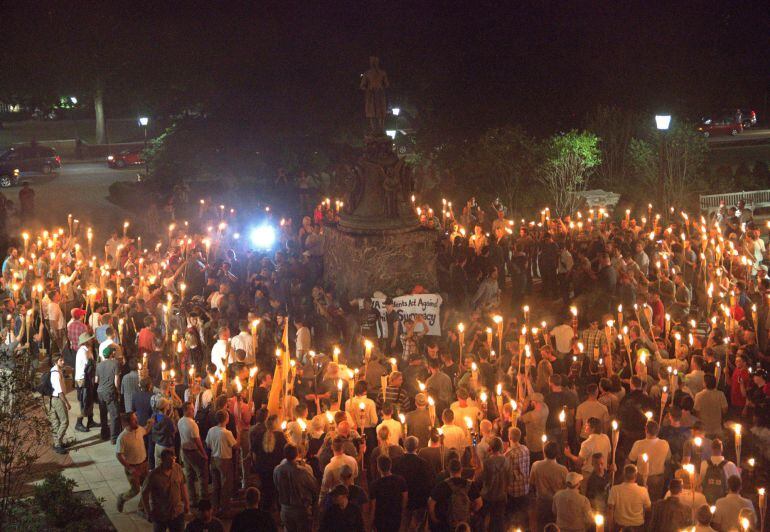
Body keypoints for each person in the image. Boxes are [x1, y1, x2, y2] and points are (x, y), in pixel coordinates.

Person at [427, 458, 482, 532]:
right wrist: (471, 512)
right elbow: (479, 503)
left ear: (449, 469)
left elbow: (431, 502)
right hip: (465, 523)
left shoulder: (443, 485)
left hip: (447, 523)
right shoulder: (470, 485)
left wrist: (434, 517)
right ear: (461, 469)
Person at [273, 443, 319, 532]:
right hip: (300, 509)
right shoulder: (302, 471)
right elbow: (314, 487)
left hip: (285, 509)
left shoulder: (277, 470)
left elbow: (276, 486)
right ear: (297, 454)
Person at [116, 412, 156, 513]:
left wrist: (150, 423)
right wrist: (129, 468)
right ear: (127, 423)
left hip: (144, 464)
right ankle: (122, 498)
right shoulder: (122, 437)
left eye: (136, 418)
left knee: (148, 487)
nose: (137, 420)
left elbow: (146, 430)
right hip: (133, 468)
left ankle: (141, 508)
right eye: (134, 419)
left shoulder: (138, 429)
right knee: (135, 490)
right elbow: (118, 455)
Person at [140, 448, 189, 531]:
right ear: (162, 460)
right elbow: (144, 494)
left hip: (177, 512)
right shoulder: (153, 476)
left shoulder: (177, 468)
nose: (172, 462)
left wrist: (186, 503)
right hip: (160, 515)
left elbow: (182, 485)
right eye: (169, 460)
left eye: (174, 459)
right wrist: (148, 512)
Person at [393, 436, 434, 530]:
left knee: (403, 526)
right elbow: (428, 483)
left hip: (402, 501)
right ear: (417, 447)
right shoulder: (423, 463)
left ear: (404, 446)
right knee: (418, 526)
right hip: (419, 501)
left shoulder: (396, 462)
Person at [205, 409, 238, 516]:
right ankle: (225, 509)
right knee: (225, 485)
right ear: (226, 419)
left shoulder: (211, 430)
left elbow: (208, 445)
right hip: (225, 460)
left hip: (213, 459)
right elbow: (235, 446)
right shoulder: (227, 433)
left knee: (215, 485)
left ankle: (215, 507)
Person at [529, 440, 567, 529]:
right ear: (557, 453)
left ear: (544, 452)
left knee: (541, 526)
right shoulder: (562, 470)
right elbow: (567, 487)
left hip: (541, 503)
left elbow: (531, 482)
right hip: (557, 504)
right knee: (555, 527)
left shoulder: (536, 465)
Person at [178, 401, 209, 505]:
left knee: (189, 475)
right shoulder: (192, 424)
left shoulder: (180, 421)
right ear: (186, 410)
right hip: (193, 451)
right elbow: (197, 441)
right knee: (202, 474)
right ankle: (203, 499)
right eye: (191, 409)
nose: (193, 411)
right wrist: (204, 453)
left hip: (184, 450)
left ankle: (192, 499)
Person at [479, 436, 512, 532]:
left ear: (490, 448)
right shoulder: (506, 460)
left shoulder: (487, 462)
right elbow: (509, 479)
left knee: (486, 519)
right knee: (499, 519)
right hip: (501, 494)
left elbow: (484, 479)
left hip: (488, 495)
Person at [369, 455, 408, 532]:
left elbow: (373, 506)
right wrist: (402, 512)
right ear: (390, 466)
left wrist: (370, 522)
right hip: (396, 515)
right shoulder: (400, 480)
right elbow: (405, 498)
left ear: (378, 468)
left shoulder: (374, 485)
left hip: (381, 518)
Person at [607, 464, 651, 531]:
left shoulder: (615, 489)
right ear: (636, 476)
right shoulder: (643, 491)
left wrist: (610, 527)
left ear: (623, 475)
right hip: (638, 527)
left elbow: (610, 510)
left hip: (620, 526)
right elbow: (648, 508)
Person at [95, 343, 121, 443]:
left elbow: (96, 380)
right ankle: (114, 438)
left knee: (103, 414)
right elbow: (116, 381)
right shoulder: (115, 364)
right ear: (111, 354)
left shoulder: (98, 365)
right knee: (114, 415)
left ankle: (104, 434)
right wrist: (118, 390)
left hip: (100, 392)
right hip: (110, 391)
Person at [48, 354, 71, 454]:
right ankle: (57, 444)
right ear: (56, 361)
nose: (63, 362)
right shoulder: (56, 373)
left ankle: (58, 443)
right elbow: (59, 391)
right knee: (64, 421)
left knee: (56, 422)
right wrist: (66, 403)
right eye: (61, 360)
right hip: (58, 399)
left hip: (53, 399)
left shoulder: (54, 370)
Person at [74, 332, 96, 433]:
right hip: (83, 380)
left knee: (89, 400)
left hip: (86, 379)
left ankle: (90, 420)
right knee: (84, 401)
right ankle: (79, 423)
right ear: (87, 342)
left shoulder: (86, 350)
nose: (92, 340)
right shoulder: (83, 352)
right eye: (90, 339)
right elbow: (89, 365)